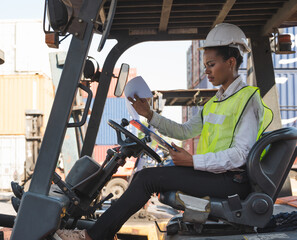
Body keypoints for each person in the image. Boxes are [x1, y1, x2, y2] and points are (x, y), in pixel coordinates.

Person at [54, 23, 273, 240]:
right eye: (205, 65)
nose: (206, 70)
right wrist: (149, 115)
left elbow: (239, 156)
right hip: (214, 175)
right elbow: (184, 130)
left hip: (231, 181)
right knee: (147, 176)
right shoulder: (216, 101)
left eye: (211, 64)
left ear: (231, 62)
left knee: (147, 178)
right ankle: (98, 232)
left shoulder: (247, 100)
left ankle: (93, 236)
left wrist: (192, 161)